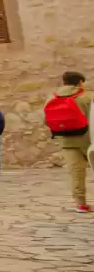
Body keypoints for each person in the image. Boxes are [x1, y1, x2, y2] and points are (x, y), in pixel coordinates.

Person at [45, 71, 93, 213]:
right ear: (80, 83)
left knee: (76, 172)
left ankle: (81, 203)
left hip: (67, 141)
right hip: (90, 140)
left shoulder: (51, 99)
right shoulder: (88, 97)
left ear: (64, 82)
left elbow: (47, 121)